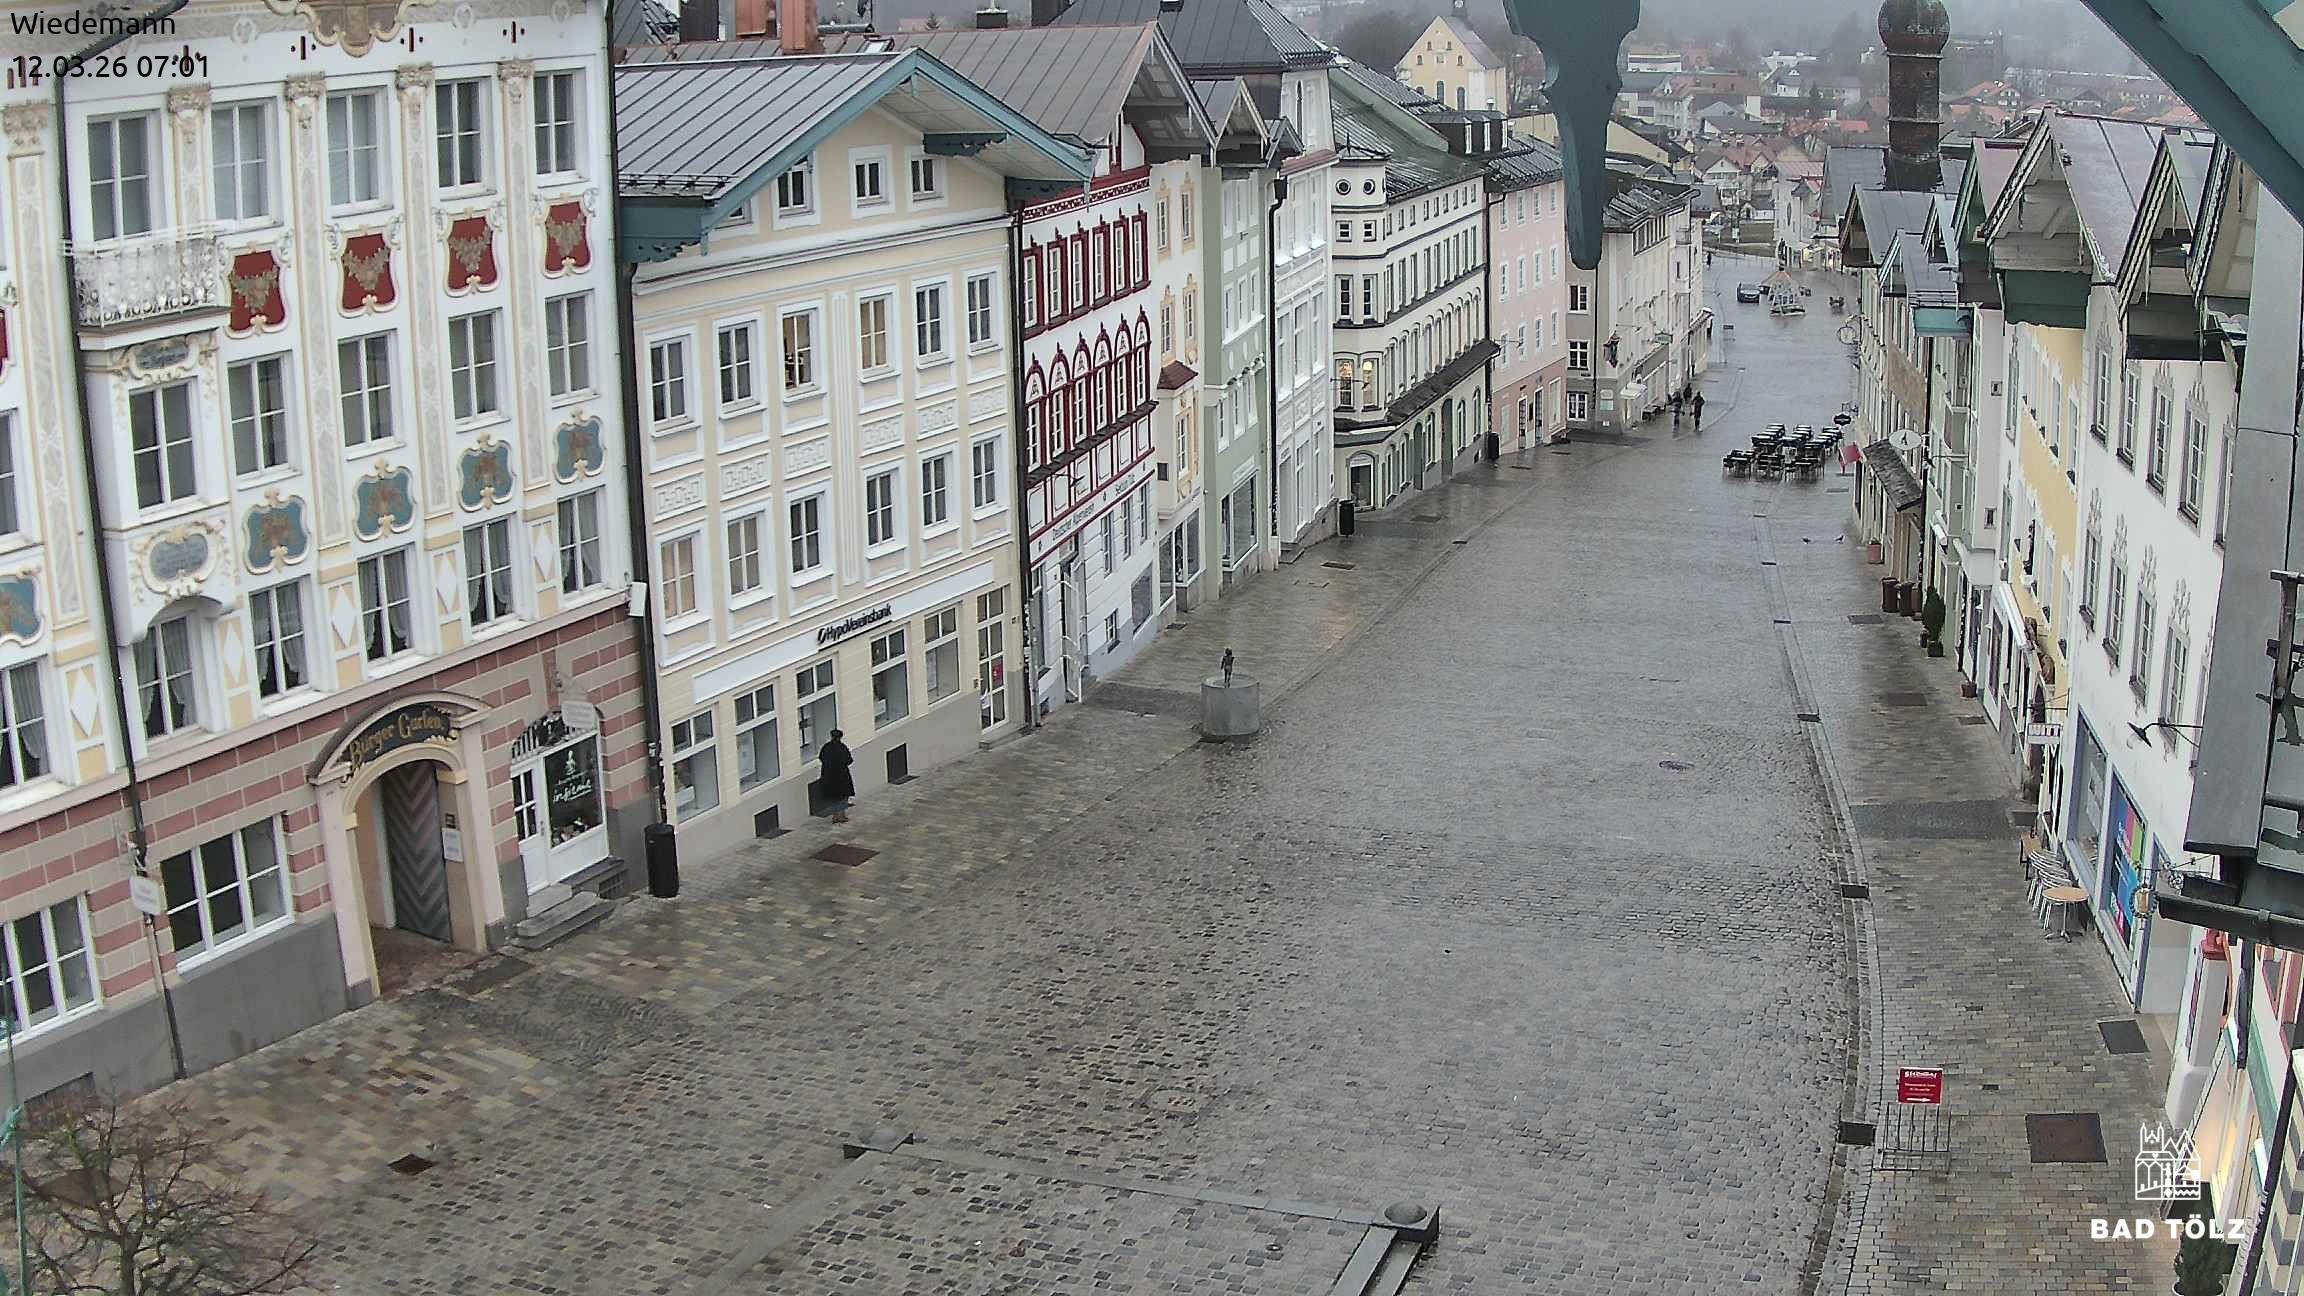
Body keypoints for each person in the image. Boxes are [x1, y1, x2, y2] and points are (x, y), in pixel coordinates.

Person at [819, 729, 856, 823]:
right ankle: (841, 815)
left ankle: (835, 815)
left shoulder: (826, 747)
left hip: (828, 775)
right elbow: (849, 760)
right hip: (841, 776)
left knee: (833, 796)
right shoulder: (842, 747)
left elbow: (821, 757)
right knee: (843, 796)